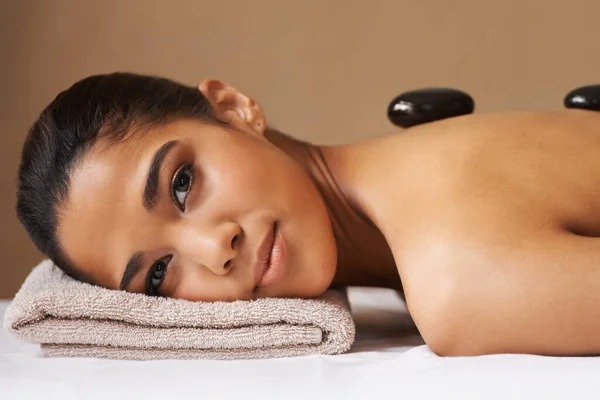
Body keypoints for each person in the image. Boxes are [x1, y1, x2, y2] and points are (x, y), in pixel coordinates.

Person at [16, 73, 600, 357]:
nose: (214, 250)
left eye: (183, 184)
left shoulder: (454, 281)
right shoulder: (414, 186)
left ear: (233, 108)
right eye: (160, 275)